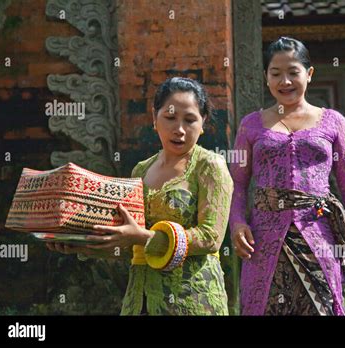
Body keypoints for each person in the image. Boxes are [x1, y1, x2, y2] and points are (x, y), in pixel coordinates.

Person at [47, 77, 233, 315]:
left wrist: (144, 236)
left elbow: (210, 238)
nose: (179, 129)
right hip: (139, 299)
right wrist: (83, 245)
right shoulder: (141, 170)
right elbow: (129, 246)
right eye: (170, 117)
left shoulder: (210, 166)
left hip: (192, 299)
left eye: (190, 120)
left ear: (203, 122)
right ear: (154, 117)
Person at [229, 37, 345, 316]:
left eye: (293, 72)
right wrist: (238, 223)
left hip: (319, 237)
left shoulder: (333, 121)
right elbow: (238, 183)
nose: (284, 81)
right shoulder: (250, 124)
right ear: (266, 77)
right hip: (263, 242)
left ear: (309, 74)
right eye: (275, 73)